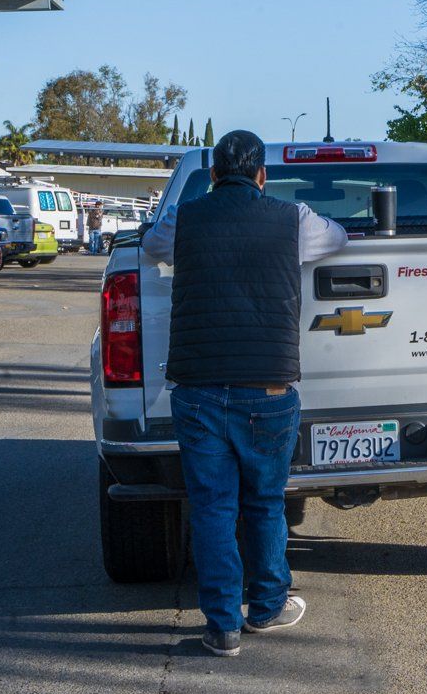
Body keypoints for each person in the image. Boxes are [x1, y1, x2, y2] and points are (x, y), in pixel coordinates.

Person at [142, 130, 348, 657]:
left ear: (212, 175)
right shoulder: (293, 218)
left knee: (212, 506)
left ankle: (222, 626)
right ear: (263, 175)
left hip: (197, 388)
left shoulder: (182, 218)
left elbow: (150, 249)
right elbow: (339, 237)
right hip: (270, 387)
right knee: (264, 502)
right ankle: (268, 607)